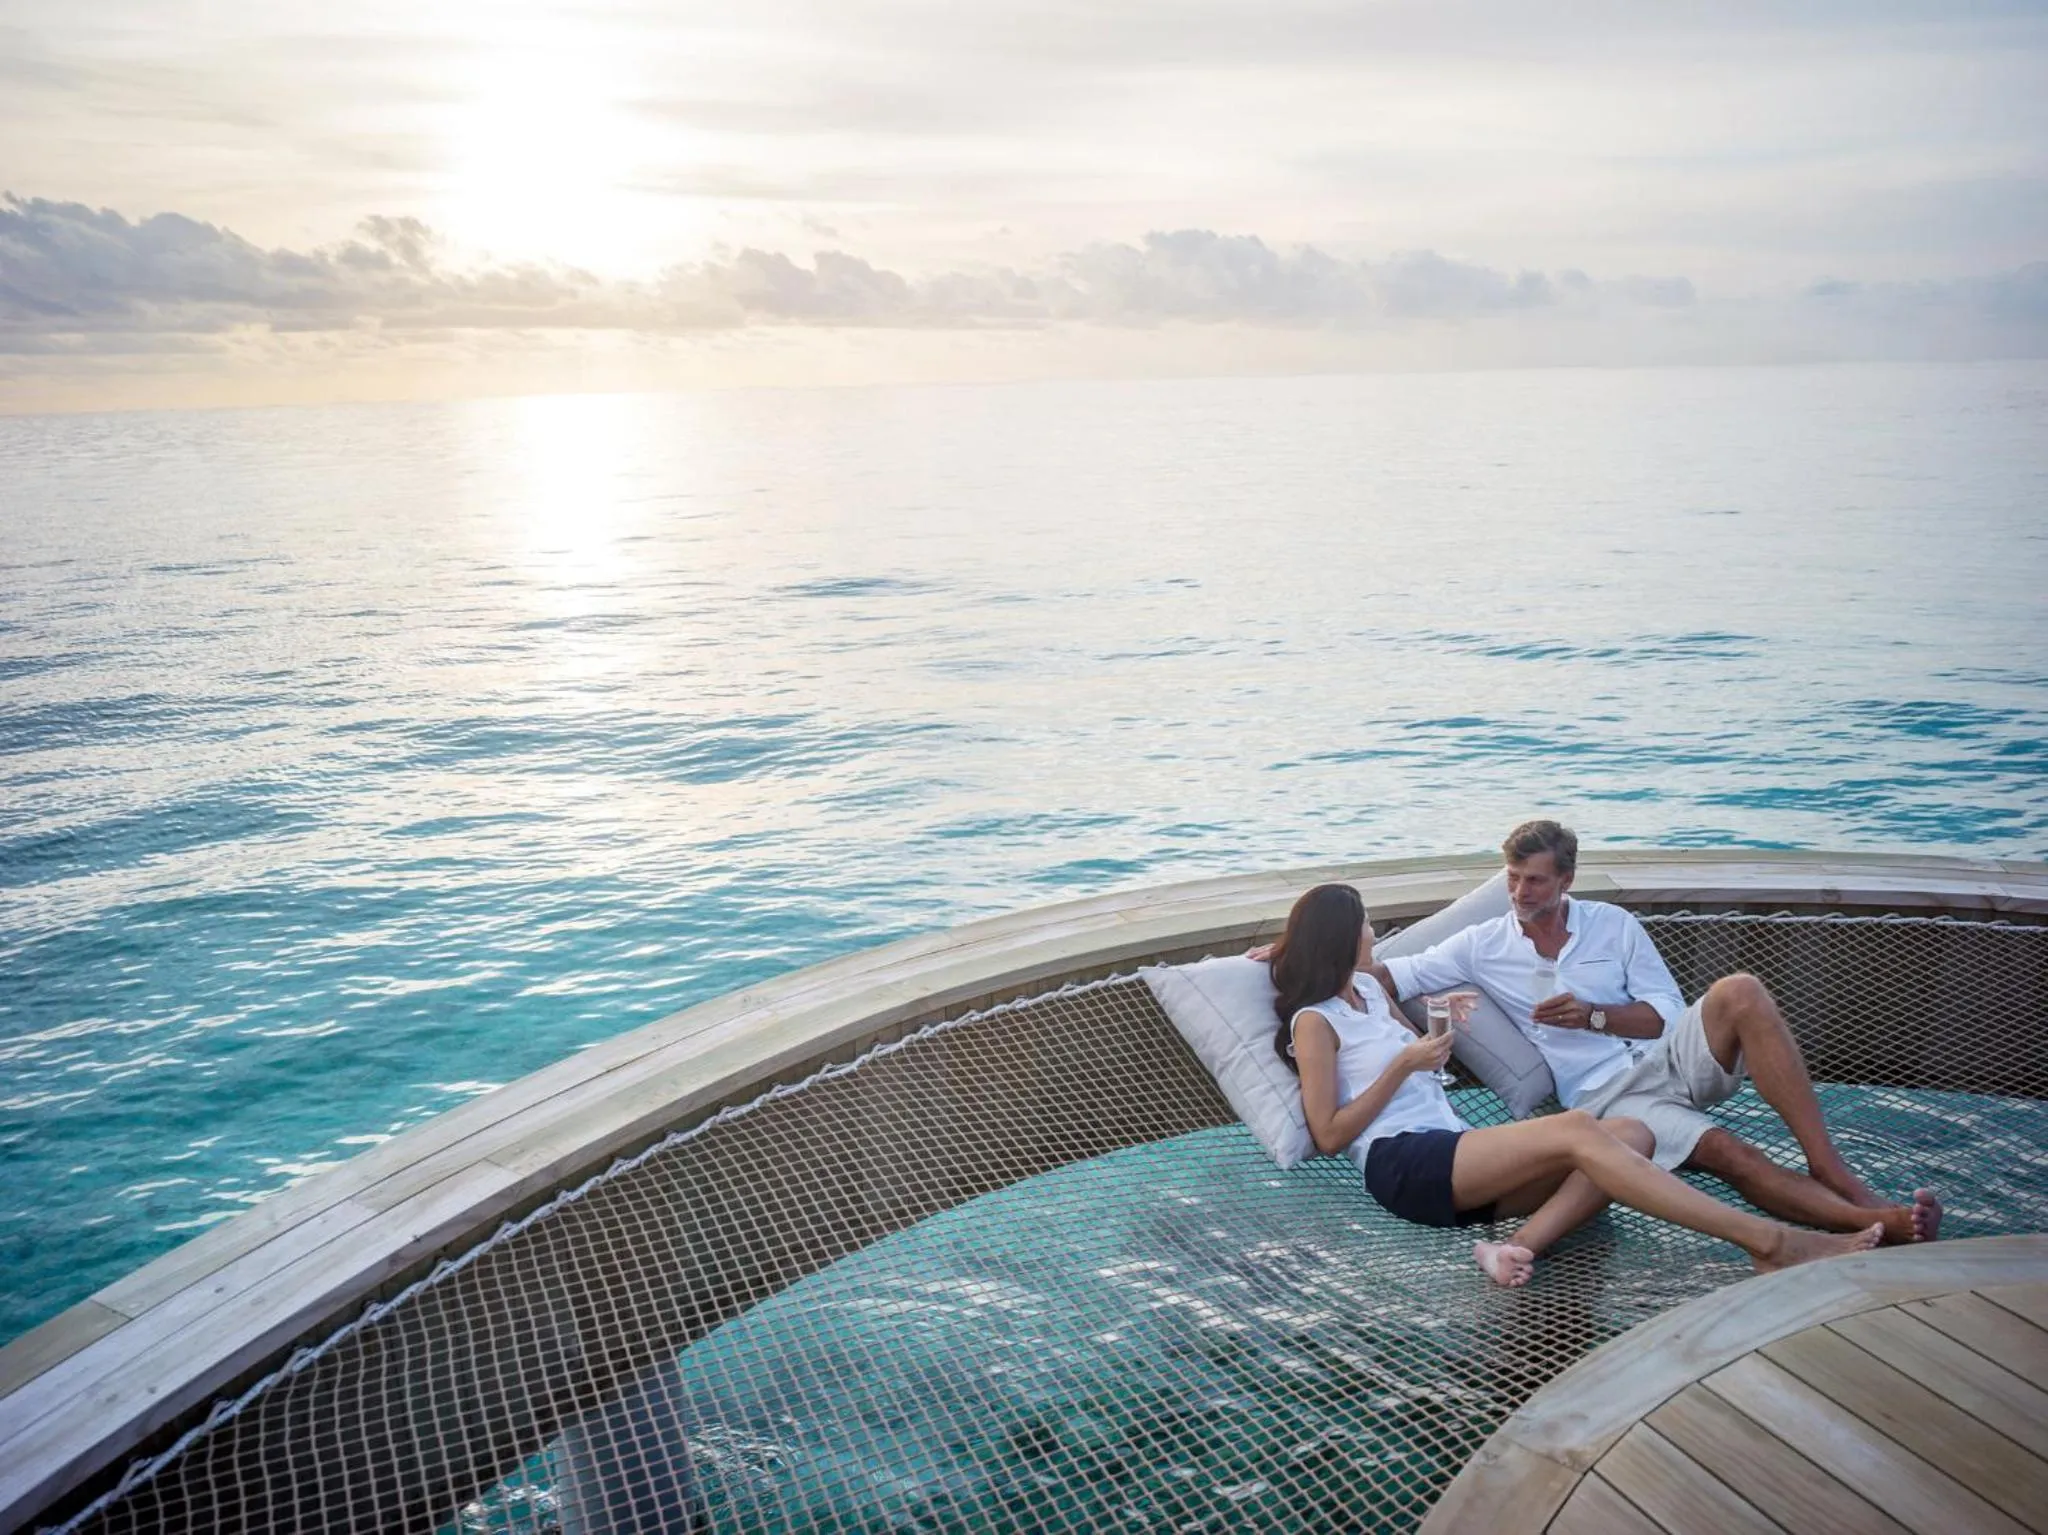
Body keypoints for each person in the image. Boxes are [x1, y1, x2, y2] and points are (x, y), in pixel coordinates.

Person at [1271, 882, 1882, 1285]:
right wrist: (1402, 1067)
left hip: (1455, 1155)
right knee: (1579, 1129)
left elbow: (1412, 1036)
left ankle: (1511, 1247)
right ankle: (1770, 1242)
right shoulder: (1314, 1021)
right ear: (1343, 936)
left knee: (1633, 1135)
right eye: (1365, 923)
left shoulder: (1371, 990)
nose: (1372, 931)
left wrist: (1435, 1033)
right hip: (1403, 1163)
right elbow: (1327, 1133)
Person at [1375, 820, 1941, 1245]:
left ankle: (1826, 1163)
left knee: (1740, 990)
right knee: (1727, 1151)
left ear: (1566, 880)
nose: (1522, 893)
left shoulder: (1612, 925)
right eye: (1514, 879)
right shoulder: (1481, 944)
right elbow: (1394, 971)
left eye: (1536, 881)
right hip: (1609, 1097)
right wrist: (1297, 957)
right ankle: (1879, 1223)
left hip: (1665, 1056)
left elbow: (1668, 1014)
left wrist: (1596, 1015)